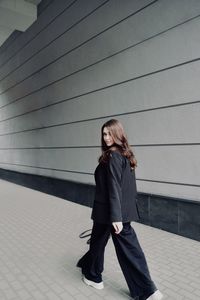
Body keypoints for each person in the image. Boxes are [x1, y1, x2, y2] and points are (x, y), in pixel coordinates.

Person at [77, 119, 163, 300]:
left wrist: (116, 217)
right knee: (99, 243)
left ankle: (146, 290)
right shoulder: (124, 154)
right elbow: (129, 187)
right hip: (114, 211)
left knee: (127, 250)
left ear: (118, 134)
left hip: (111, 213)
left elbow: (115, 187)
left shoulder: (114, 157)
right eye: (104, 134)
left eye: (109, 133)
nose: (106, 137)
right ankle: (94, 274)